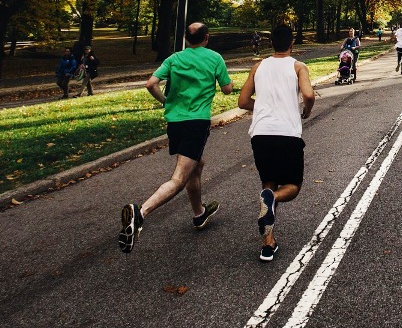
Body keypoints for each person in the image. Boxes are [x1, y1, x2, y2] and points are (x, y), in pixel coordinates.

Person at [118, 22, 234, 254]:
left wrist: (166, 101)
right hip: (196, 123)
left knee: (196, 165)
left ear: (186, 39)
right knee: (179, 178)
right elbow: (227, 89)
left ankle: (199, 213)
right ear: (206, 38)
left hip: (175, 123)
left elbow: (151, 84)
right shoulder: (214, 58)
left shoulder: (174, 59)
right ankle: (140, 213)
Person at [238, 24, 317, 262]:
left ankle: (267, 244)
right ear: (292, 43)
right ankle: (274, 200)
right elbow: (309, 94)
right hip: (287, 133)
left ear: (271, 43)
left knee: (268, 185)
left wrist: (264, 107)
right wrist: (307, 111)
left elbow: (243, 101)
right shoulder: (298, 66)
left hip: (260, 134)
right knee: (292, 186)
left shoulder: (258, 66)